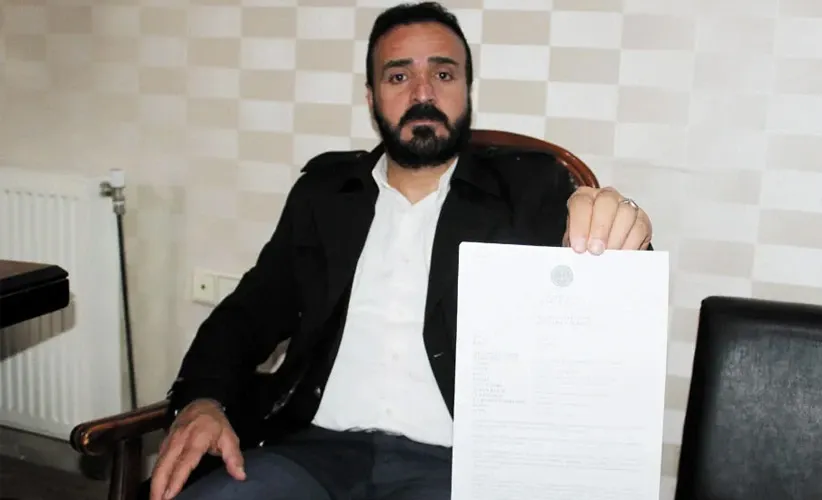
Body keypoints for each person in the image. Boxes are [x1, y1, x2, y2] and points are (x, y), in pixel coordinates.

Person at [149, 2, 653, 499]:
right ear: (371, 98)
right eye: (398, 77)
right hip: (309, 455)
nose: (423, 93)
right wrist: (202, 400)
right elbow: (247, 314)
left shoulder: (530, 191)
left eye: (443, 74)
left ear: (467, 89)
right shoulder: (325, 194)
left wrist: (625, 231)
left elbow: (605, 310)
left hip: (454, 468)